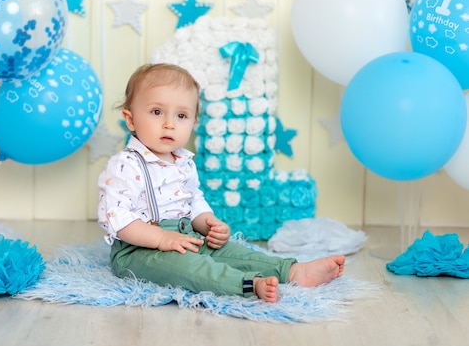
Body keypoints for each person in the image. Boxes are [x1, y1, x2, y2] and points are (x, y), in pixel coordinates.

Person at [97, 63, 345, 303]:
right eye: (156, 112)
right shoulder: (125, 165)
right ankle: (247, 284)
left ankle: (291, 271)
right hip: (139, 251)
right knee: (192, 268)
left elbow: (194, 201)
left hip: (187, 236)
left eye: (181, 115)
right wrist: (162, 239)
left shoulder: (183, 162)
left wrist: (208, 224)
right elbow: (118, 218)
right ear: (130, 120)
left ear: (193, 123)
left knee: (233, 252)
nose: (169, 123)